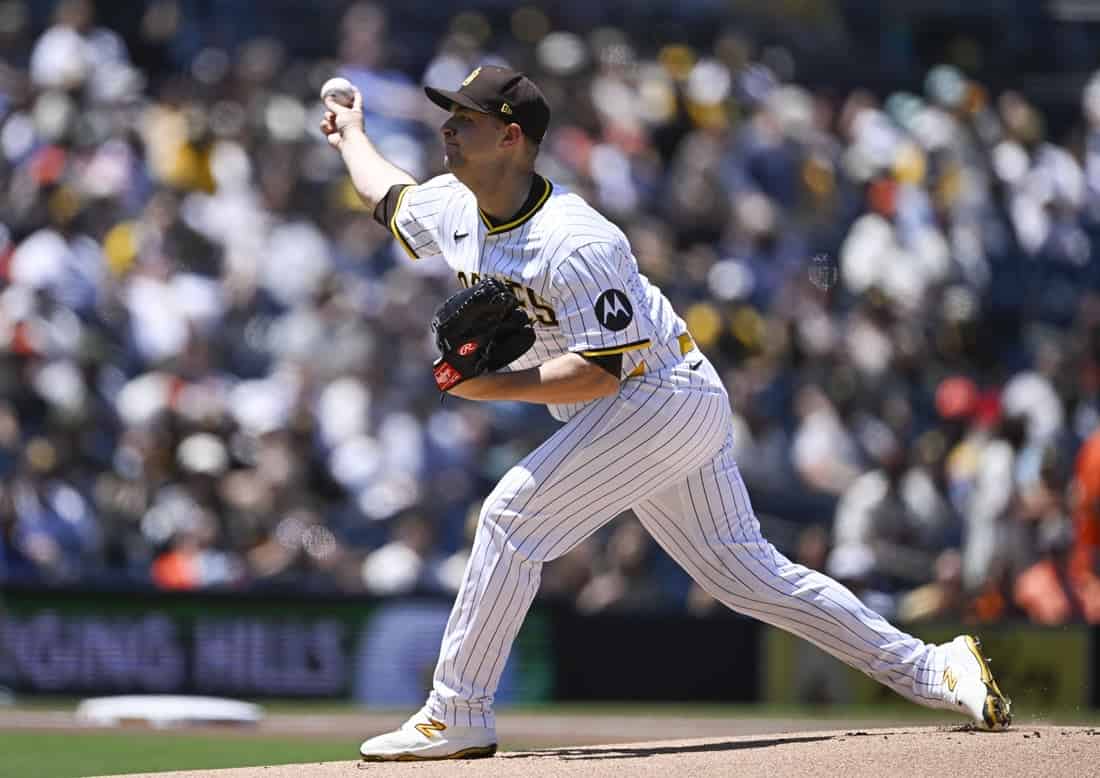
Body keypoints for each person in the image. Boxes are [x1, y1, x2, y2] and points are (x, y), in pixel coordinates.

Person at [320, 65, 1012, 762]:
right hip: (653, 410)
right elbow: (389, 197)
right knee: (748, 578)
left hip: (657, 396)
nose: (446, 129)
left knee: (509, 518)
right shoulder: (455, 206)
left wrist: (489, 387)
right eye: (447, 117)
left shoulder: (576, 238)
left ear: (509, 138)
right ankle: (934, 666)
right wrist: (351, 131)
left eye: (463, 121)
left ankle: (458, 712)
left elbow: (600, 372)